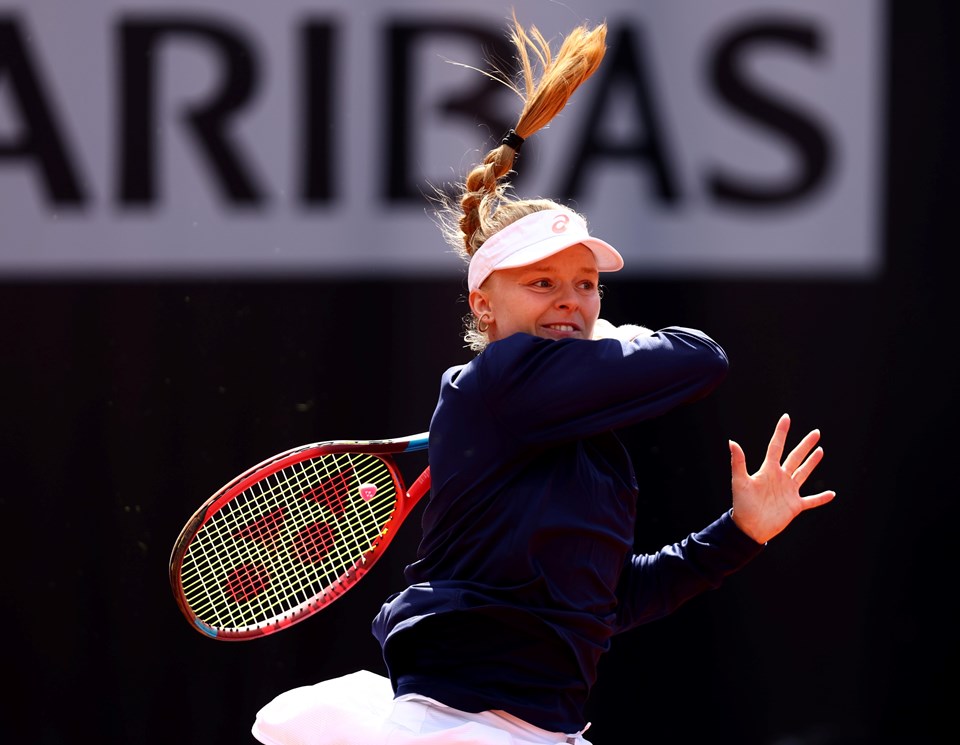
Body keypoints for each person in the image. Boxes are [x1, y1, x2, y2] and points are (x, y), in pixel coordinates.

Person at [252, 13, 835, 745]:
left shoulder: (585, 445)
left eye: (588, 283)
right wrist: (609, 337)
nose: (572, 299)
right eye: (543, 281)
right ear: (483, 302)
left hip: (537, 728)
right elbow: (698, 355)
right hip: (458, 724)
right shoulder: (501, 382)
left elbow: (611, 599)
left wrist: (741, 533)